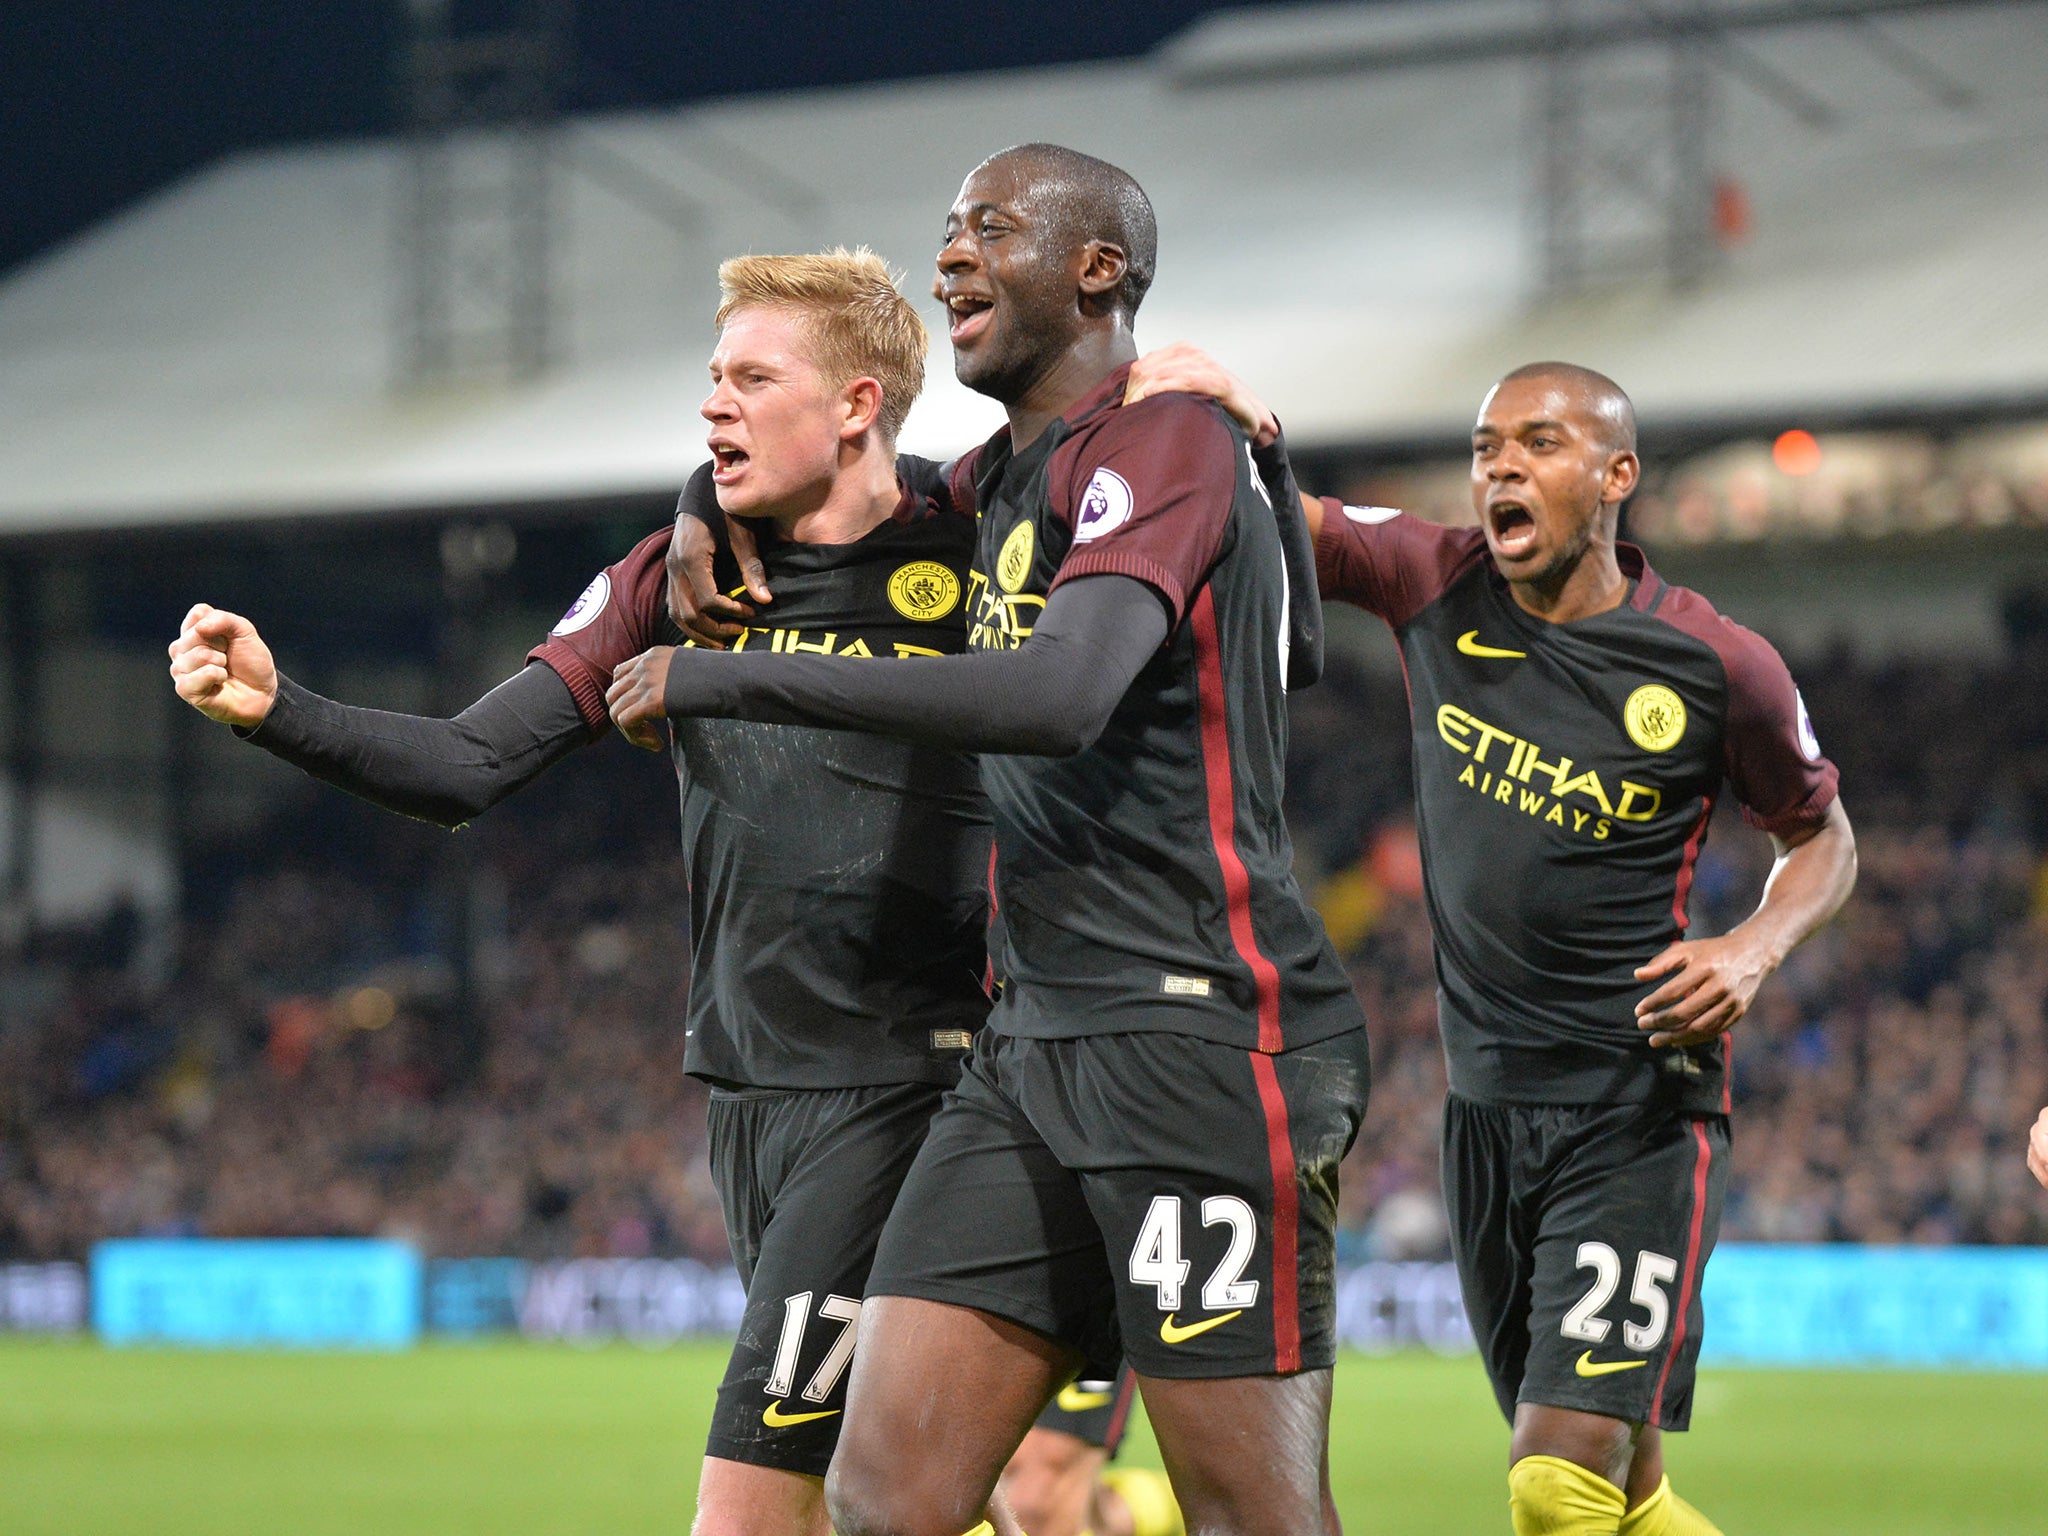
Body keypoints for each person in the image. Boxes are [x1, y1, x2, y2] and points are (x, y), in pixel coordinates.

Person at [166, 248, 1183, 1536]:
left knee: (752, 1513)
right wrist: (278, 709)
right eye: (713, 380)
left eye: (753, 380)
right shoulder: (679, 572)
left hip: (923, 1083)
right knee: (895, 1501)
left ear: (859, 404)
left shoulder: (983, 533)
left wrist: (1187, 393)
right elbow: (467, 763)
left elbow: (1128, 479)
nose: (714, 407)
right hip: (754, 1096)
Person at [608, 143, 1368, 1536]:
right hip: (1027, 1048)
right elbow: (829, 481)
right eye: (948, 228)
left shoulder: (1166, 441)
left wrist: (723, 673)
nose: (950, 254)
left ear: (1097, 273)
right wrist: (697, 498)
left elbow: (1057, 695)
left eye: (990, 229)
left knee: (1250, 1513)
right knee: (887, 1493)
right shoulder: (997, 482)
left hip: (1198, 1033)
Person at [1130, 355, 1856, 1536]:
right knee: (1623, 1497)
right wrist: (1232, 417)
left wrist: (1751, 949)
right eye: (1484, 449)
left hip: (1634, 1112)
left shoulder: (1715, 664)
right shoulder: (1435, 579)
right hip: (1482, 1116)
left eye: (1538, 443)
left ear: (1616, 475)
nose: (1499, 468)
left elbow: (1822, 839)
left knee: (1553, 1484)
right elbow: (1271, 522)